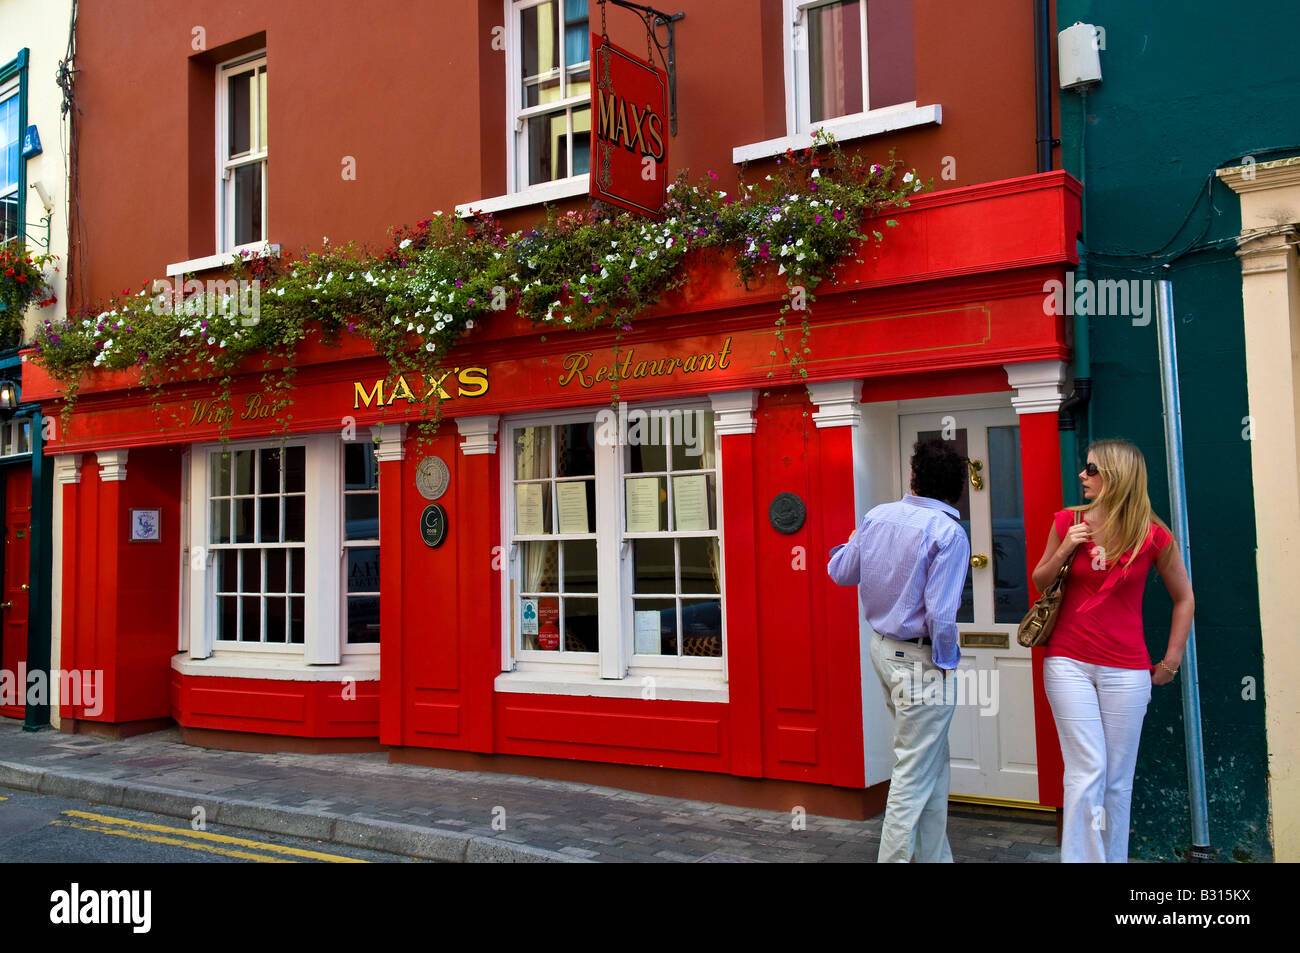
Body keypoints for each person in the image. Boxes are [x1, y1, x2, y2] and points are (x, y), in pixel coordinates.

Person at [1031, 438, 1194, 863]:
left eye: (1091, 469)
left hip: (1127, 668)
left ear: (1116, 476)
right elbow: (1040, 580)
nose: (1082, 476)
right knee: (1087, 771)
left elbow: (1185, 598)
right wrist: (1068, 545)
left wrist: (1171, 660)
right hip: (1068, 661)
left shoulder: (1153, 535)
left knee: (1117, 780)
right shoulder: (1068, 520)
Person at [828, 439, 970, 863]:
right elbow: (943, 614)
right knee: (913, 771)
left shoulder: (876, 517)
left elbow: (840, 572)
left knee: (929, 763)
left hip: (883, 651)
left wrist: (854, 538)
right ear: (957, 487)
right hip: (921, 660)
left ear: (914, 478)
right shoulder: (948, 532)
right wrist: (944, 662)